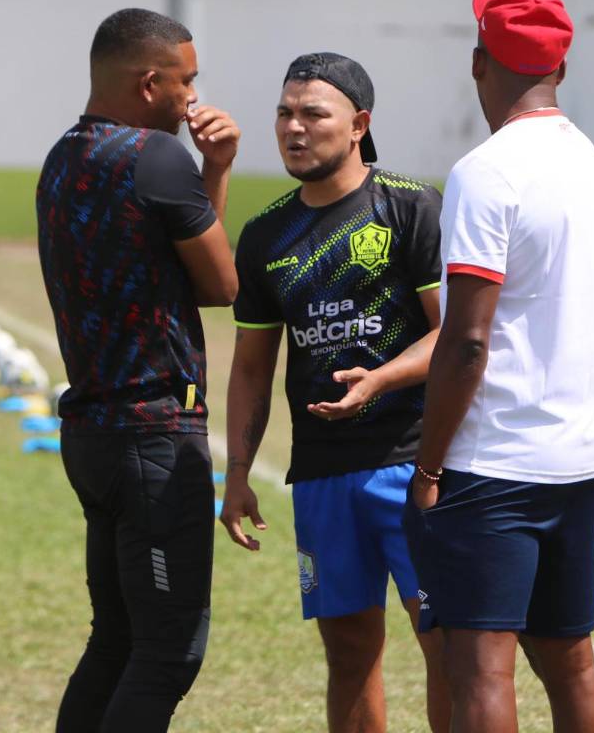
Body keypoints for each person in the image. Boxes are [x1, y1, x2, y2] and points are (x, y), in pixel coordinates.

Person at [403, 0, 594, 733]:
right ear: (562, 68)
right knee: (570, 660)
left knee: (480, 664)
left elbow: (466, 340)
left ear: (477, 64)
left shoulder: (486, 172)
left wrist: (428, 469)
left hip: (494, 462)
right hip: (583, 453)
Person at [219, 52, 451, 733]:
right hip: (323, 473)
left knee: (446, 644)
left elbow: (456, 337)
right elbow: (252, 368)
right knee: (348, 653)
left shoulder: (411, 207)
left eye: (312, 113)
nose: (294, 128)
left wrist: (381, 379)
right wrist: (237, 473)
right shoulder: (265, 234)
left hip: (414, 463)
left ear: (358, 125)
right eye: (284, 113)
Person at [36, 8, 239, 732]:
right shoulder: (157, 159)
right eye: (186, 82)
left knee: (117, 640)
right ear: (150, 82)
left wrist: (204, 171)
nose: (193, 98)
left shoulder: (63, 155)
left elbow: (176, 275)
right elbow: (220, 285)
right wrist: (215, 169)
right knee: (167, 652)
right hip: (155, 436)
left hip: (93, 433)